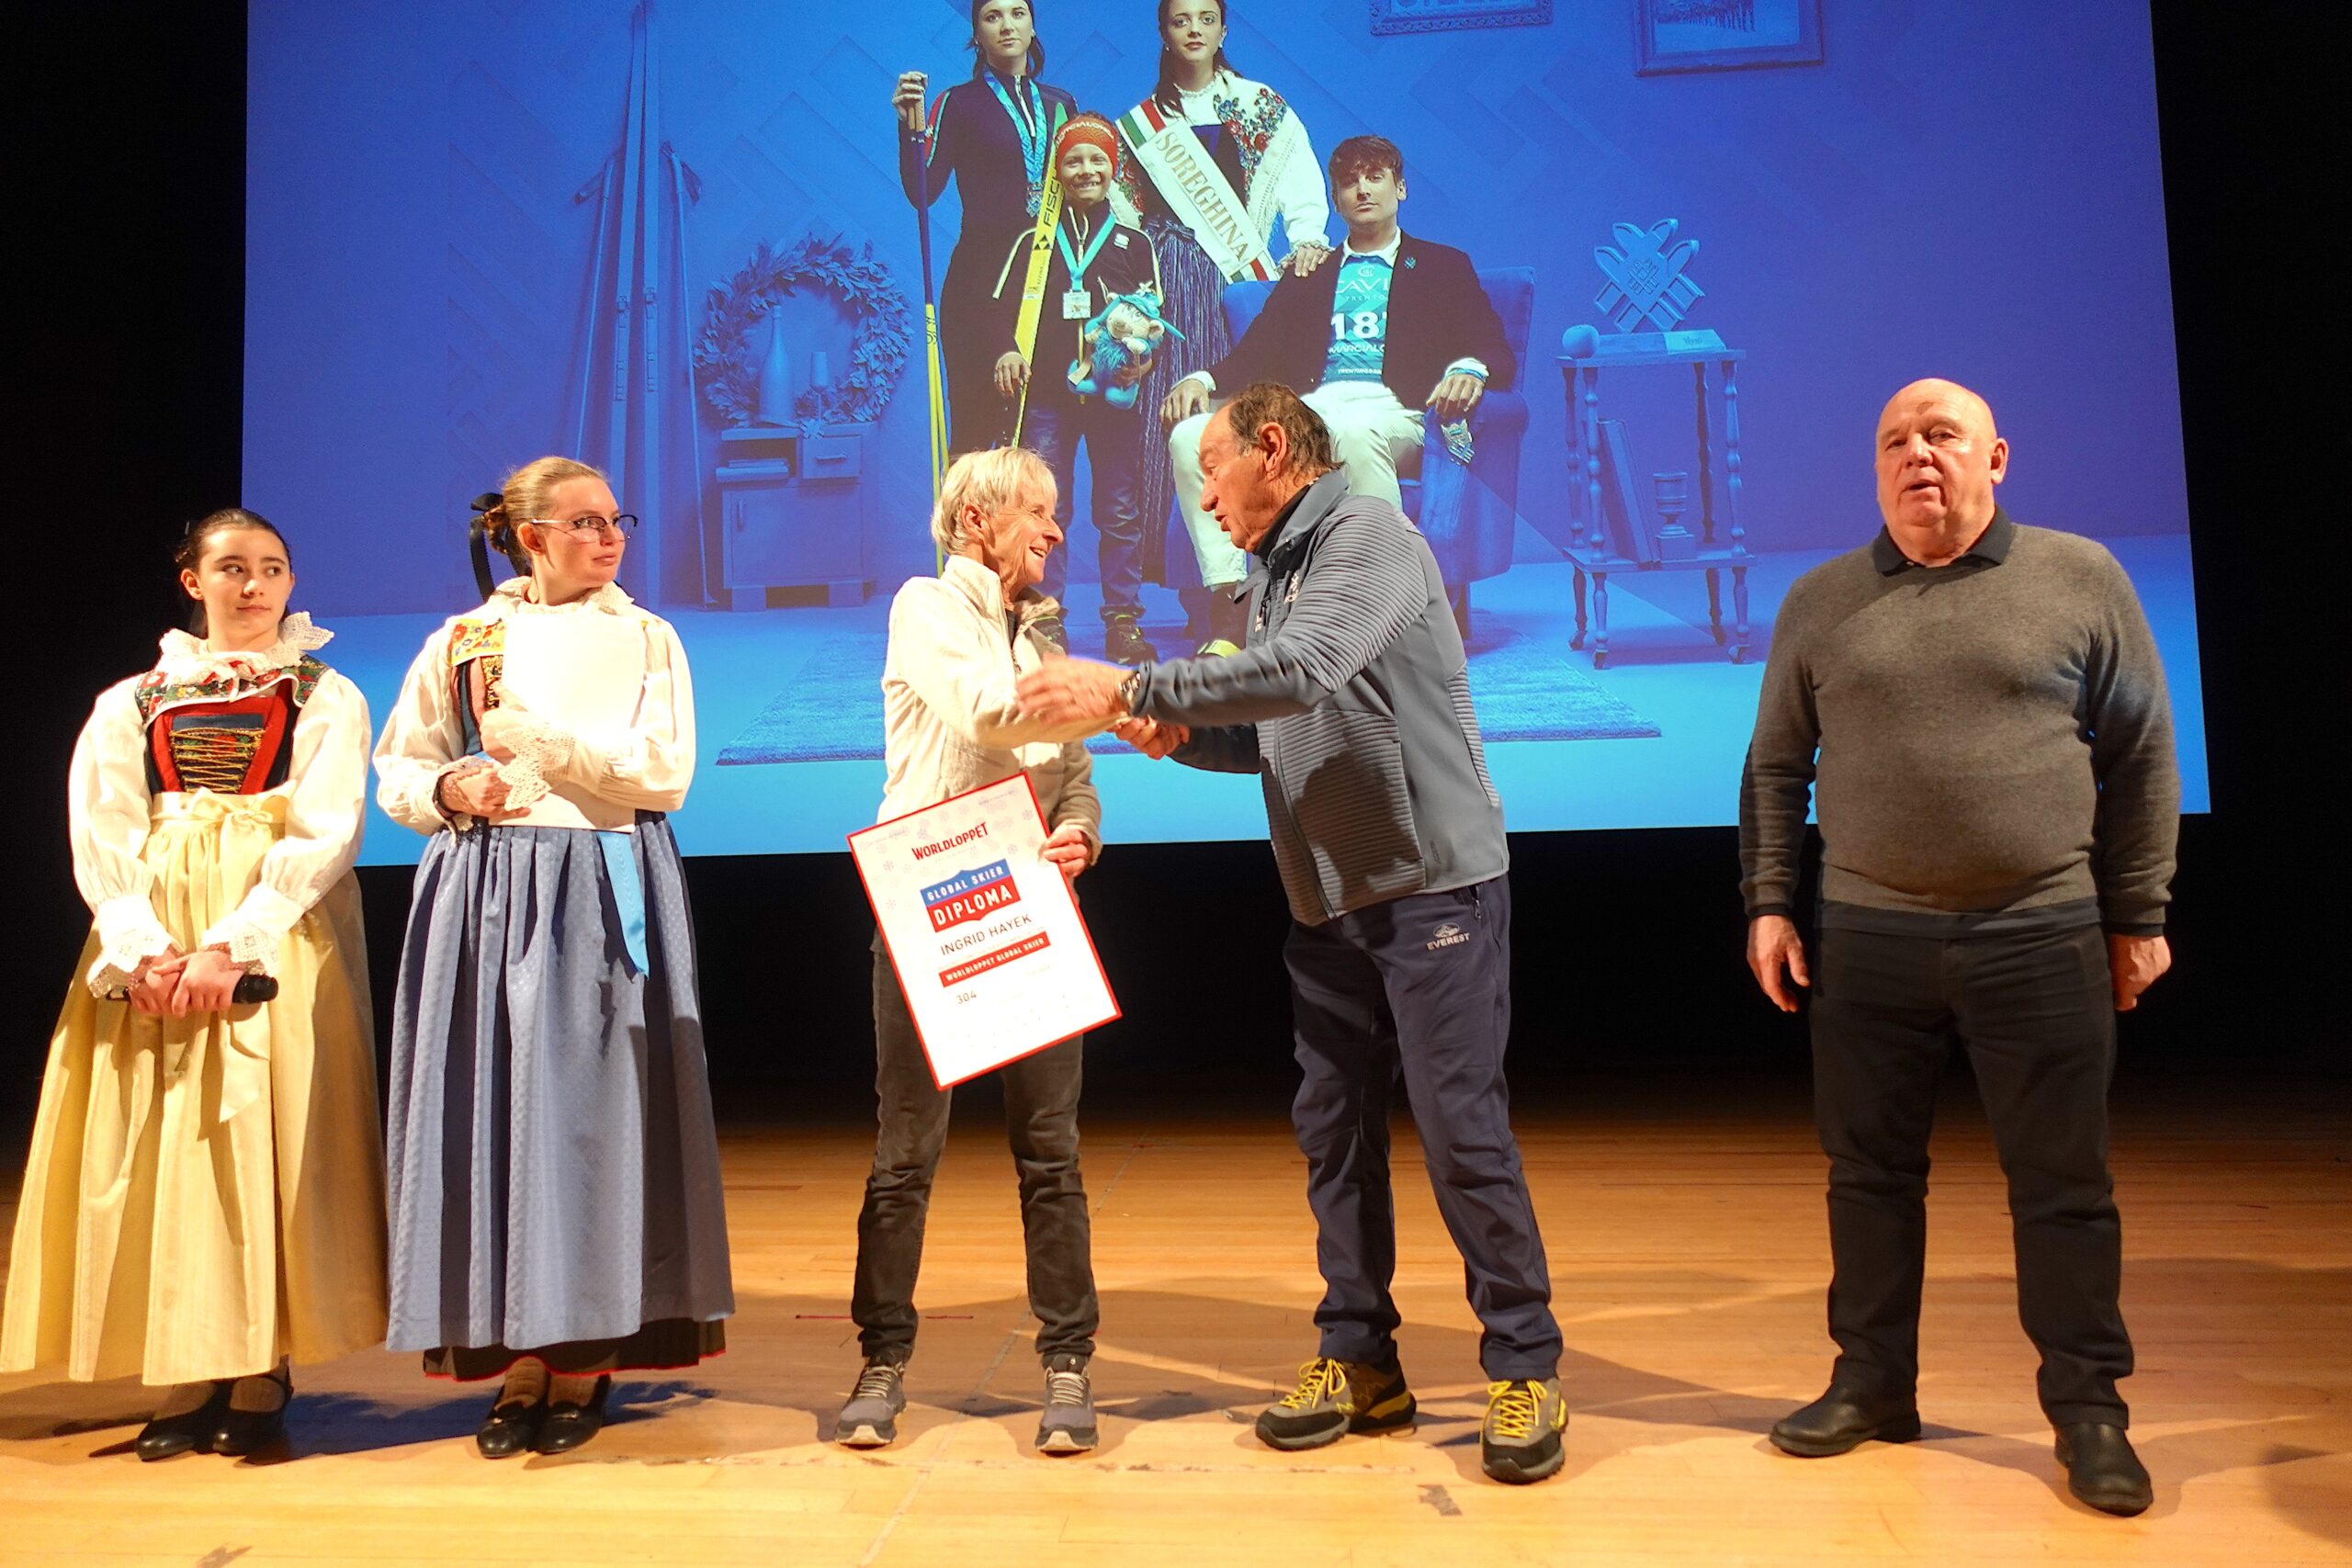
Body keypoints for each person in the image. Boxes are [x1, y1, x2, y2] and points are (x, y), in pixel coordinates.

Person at [1015, 386, 1567, 1485]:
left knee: (1461, 1137)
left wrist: (1131, 679)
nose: (1204, 500)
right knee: (1334, 1137)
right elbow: (1284, 730)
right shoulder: (1272, 573)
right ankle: (1360, 1358)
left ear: (1272, 448)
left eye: (1211, 472)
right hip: (1328, 902)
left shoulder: (1368, 534)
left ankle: (1524, 1363)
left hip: (1430, 890)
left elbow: (1303, 669)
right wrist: (1176, 734)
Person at [1739, 379, 2180, 1517]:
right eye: (1895, 440)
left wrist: (2138, 914)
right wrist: (1769, 902)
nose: (1917, 455)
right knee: (1868, 1178)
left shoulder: (2079, 577)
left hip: (2040, 930)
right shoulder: (1821, 599)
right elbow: (1776, 767)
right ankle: (1871, 1384)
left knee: (2062, 1186)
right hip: (1868, 933)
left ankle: (2088, 1411)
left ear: (1996, 458)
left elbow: (2139, 753)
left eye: (1942, 436)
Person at [2, 509, 387, 1461]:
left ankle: (260, 1362)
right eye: (233, 568)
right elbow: (104, 827)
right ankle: (186, 1364)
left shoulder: (323, 694)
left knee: (253, 1133)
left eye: (273, 569)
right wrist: (141, 946)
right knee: (161, 1136)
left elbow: (327, 829)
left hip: (271, 927)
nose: (254, 586)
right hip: (158, 920)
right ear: (193, 581)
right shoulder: (132, 700)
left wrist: (234, 945)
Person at [376, 457, 733, 1460]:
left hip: (599, 880)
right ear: (529, 537)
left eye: (615, 519)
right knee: (498, 1107)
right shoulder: (464, 640)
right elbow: (401, 765)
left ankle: (583, 1353)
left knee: (590, 1115)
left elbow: (665, 773)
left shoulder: (646, 636)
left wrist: (549, 745)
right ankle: (518, 1354)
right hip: (488, 888)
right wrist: (451, 791)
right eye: (584, 522)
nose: (610, 536)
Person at [834, 446, 1109, 1457]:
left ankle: (1067, 1363)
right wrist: (1113, 691)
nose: (1056, 530)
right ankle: (881, 1363)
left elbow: (1074, 777)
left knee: (1051, 1152)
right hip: (930, 901)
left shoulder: (1041, 632)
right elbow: (982, 711)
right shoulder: (926, 607)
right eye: (1038, 511)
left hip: (1026, 902)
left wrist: (1079, 829)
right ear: (978, 520)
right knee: (906, 1153)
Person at [1159, 134, 1508, 653]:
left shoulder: (1443, 265)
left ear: (1400, 188)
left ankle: (1382, 607)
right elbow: (1256, 352)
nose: (1362, 190)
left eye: (1375, 178)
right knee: (1192, 436)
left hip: (1395, 412)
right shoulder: (1310, 272)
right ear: (1337, 201)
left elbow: (1491, 343)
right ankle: (1232, 606)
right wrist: (1202, 380)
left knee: (1349, 431)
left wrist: (1468, 370)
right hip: (1311, 409)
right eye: (1349, 182)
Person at [1117, 0, 1331, 642]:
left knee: (1239, 426)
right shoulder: (1142, 124)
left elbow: (1298, 178)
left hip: (1242, 288)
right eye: (1181, 19)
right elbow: (1125, 215)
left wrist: (1307, 237)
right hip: (1169, 291)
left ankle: (1263, 579)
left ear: (1223, 29)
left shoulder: (1258, 104)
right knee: (1171, 432)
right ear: (1163, 31)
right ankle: (1200, 591)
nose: (1194, 30)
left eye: (1206, 18)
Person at [986, 113, 1165, 664]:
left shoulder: (1135, 243)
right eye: (1073, 160)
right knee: (1046, 509)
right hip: (1047, 399)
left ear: (1114, 169)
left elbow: (1154, 323)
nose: (1086, 169)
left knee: (1119, 510)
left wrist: (1143, 365)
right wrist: (1007, 351)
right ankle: (1045, 619)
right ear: (1056, 173)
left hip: (1113, 401)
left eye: (1097, 159)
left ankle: (1123, 623)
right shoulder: (1032, 243)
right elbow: (998, 312)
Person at [897, 0, 1077, 456]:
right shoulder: (957, 103)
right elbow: (922, 191)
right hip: (978, 289)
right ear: (976, 34)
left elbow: (1082, 200)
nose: (1006, 25)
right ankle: (966, 507)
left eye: (1017, 13)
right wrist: (907, 127)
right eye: (992, 16)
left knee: (1042, 441)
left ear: (1033, 25)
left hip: (1046, 287)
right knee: (975, 438)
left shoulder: (1061, 104)